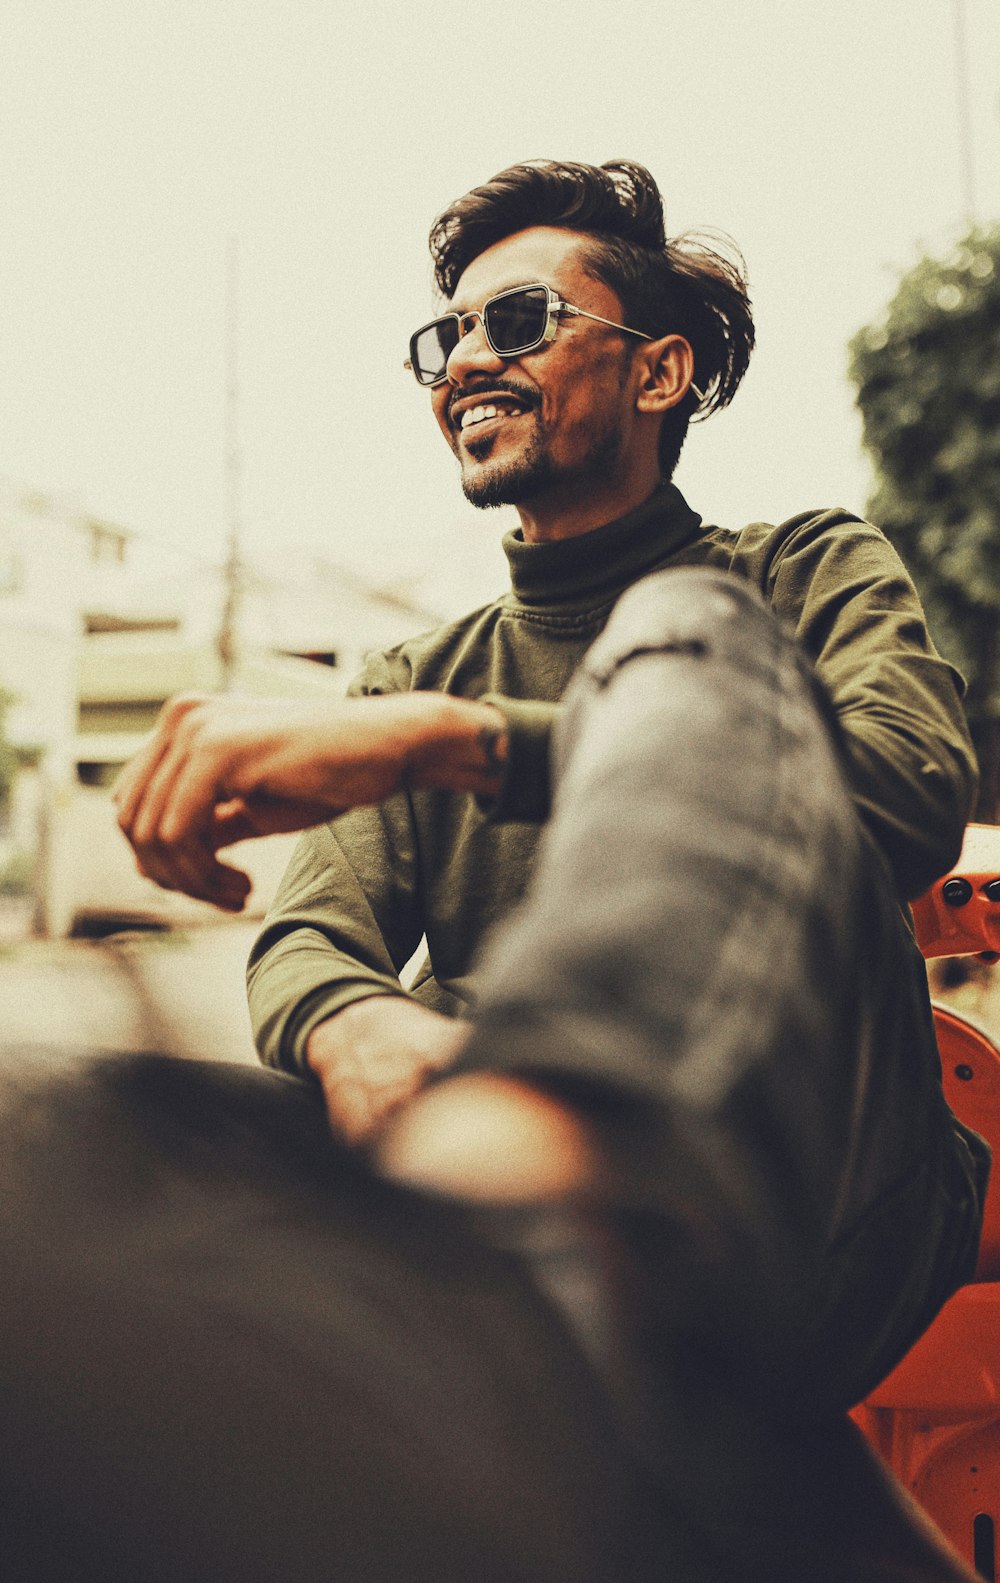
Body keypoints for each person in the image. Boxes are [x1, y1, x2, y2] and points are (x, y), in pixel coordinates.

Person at [2, 160, 989, 1582]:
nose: (465, 358)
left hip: (833, 1195)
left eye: (515, 319)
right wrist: (363, 1027)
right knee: (81, 1141)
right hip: (492, 1236)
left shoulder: (797, 573)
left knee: (695, 633)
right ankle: (526, 1279)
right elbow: (308, 940)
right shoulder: (415, 665)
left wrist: (441, 742)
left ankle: (555, 1207)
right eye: (445, 335)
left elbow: (903, 793)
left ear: (661, 370)